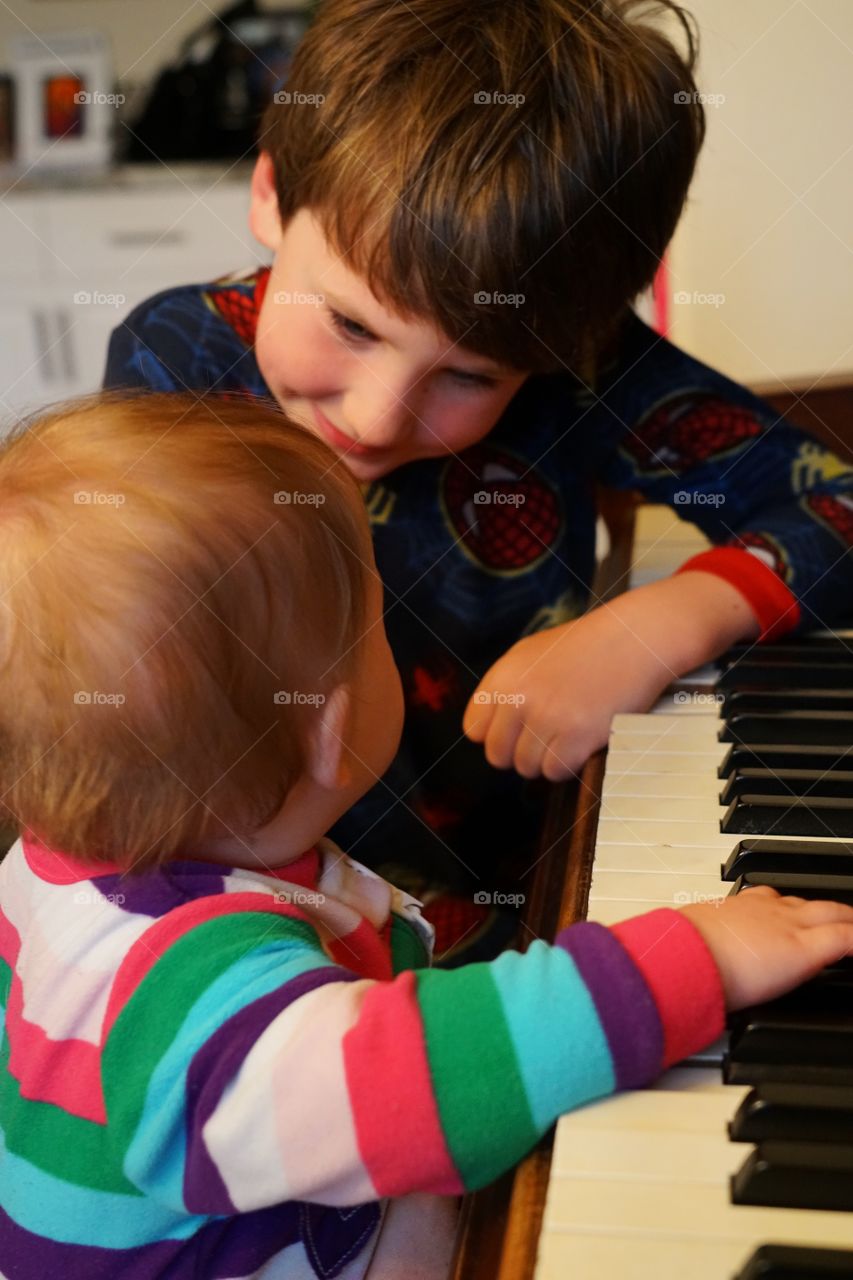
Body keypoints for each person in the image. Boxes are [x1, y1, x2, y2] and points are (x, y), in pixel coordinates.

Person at [0, 390, 851, 1279]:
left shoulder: (43, 867)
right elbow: (407, 1079)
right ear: (329, 728)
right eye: (377, 622)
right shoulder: (199, 997)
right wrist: (687, 962)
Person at [103, 0, 853, 952]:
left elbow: (834, 502)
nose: (374, 417)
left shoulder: (582, 375)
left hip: (520, 907)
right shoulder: (174, 358)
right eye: (350, 325)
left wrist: (655, 624)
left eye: (468, 376)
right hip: (236, 921)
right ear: (270, 192)